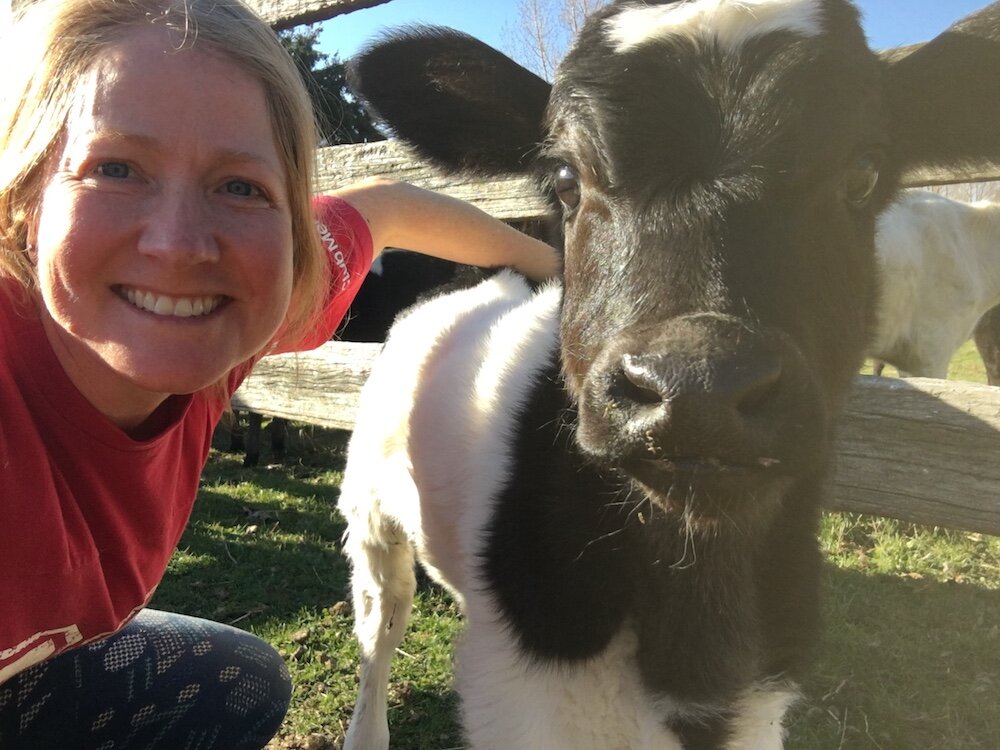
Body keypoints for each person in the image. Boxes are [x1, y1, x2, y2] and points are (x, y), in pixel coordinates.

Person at [0, 0, 560, 747]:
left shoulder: (246, 304)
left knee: (238, 682)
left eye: (240, 186)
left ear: (292, 238)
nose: (180, 244)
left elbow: (386, 209)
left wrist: (562, 270)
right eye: (115, 168)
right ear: (24, 202)